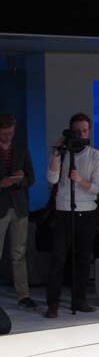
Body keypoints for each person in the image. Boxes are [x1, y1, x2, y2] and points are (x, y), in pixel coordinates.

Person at [45, 113, 99, 318]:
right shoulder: (62, 153)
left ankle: (79, 299)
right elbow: (52, 179)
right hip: (64, 211)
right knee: (58, 258)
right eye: (77, 131)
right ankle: (52, 303)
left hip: (87, 212)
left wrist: (78, 179)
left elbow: (96, 188)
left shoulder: (95, 156)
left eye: (84, 131)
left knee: (83, 258)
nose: (81, 134)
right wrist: (56, 154)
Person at [0, 114, 35, 309]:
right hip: (1, 207)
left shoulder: (21, 150)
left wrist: (21, 179)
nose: (8, 137)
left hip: (19, 207)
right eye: (4, 133)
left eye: (10, 133)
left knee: (19, 253)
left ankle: (23, 295)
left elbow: (32, 178)